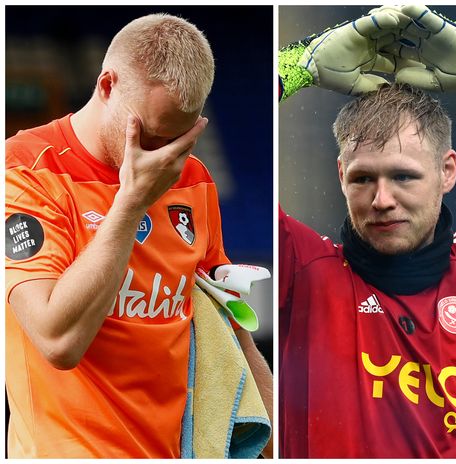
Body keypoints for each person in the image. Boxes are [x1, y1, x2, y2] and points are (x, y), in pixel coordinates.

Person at [278, 5, 456, 458]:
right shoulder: (302, 270)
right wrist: (296, 65)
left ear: (447, 171)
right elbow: (193, 120)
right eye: (363, 179)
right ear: (341, 174)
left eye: (404, 177)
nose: (382, 200)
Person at [5, 13, 273, 458]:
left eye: (179, 138)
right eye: (149, 134)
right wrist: (130, 203)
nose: (162, 156)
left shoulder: (193, 179)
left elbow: (226, 324)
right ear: (107, 85)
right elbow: (58, 342)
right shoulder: (26, 169)